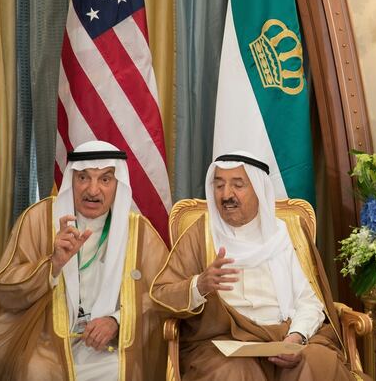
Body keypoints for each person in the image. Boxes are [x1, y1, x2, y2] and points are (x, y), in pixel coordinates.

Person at [150, 151, 359, 381]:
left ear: (259, 189)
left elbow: (309, 301)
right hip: (223, 341)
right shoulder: (201, 235)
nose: (226, 195)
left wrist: (297, 337)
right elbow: (162, 295)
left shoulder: (289, 233)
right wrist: (200, 285)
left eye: (237, 185)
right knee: (234, 372)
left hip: (286, 334)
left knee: (315, 363)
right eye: (219, 186)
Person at [0, 141, 169, 381]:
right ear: (71, 180)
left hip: (105, 345)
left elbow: (161, 294)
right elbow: (6, 291)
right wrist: (52, 265)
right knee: (35, 371)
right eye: (83, 178)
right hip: (45, 340)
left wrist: (116, 320)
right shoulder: (39, 220)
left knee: (119, 372)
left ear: (118, 184)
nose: (93, 190)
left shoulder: (138, 232)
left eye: (105, 180)